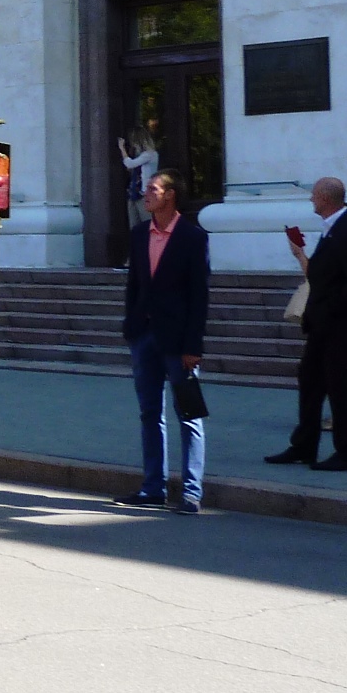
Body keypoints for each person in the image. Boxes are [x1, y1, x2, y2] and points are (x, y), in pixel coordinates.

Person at [268, 176, 347, 472]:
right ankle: (304, 445)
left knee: (341, 386)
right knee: (311, 380)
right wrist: (300, 254)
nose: (312, 200)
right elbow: (321, 276)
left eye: (315, 196)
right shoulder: (333, 229)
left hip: (341, 323)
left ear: (326, 199)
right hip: (323, 323)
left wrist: (330, 309)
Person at [117, 169, 209, 514]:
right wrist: (131, 327)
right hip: (144, 336)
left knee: (189, 415)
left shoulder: (192, 237)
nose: (145, 194)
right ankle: (152, 487)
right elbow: (134, 286)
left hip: (178, 341)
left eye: (152, 189)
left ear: (170, 195)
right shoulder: (140, 233)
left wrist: (193, 346)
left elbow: (199, 295)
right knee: (149, 412)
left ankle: (191, 492)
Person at [117, 128, 159, 244]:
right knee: (134, 227)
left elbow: (129, 164)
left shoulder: (150, 154)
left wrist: (122, 149)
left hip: (145, 194)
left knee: (147, 225)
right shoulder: (140, 155)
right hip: (133, 193)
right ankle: (135, 254)